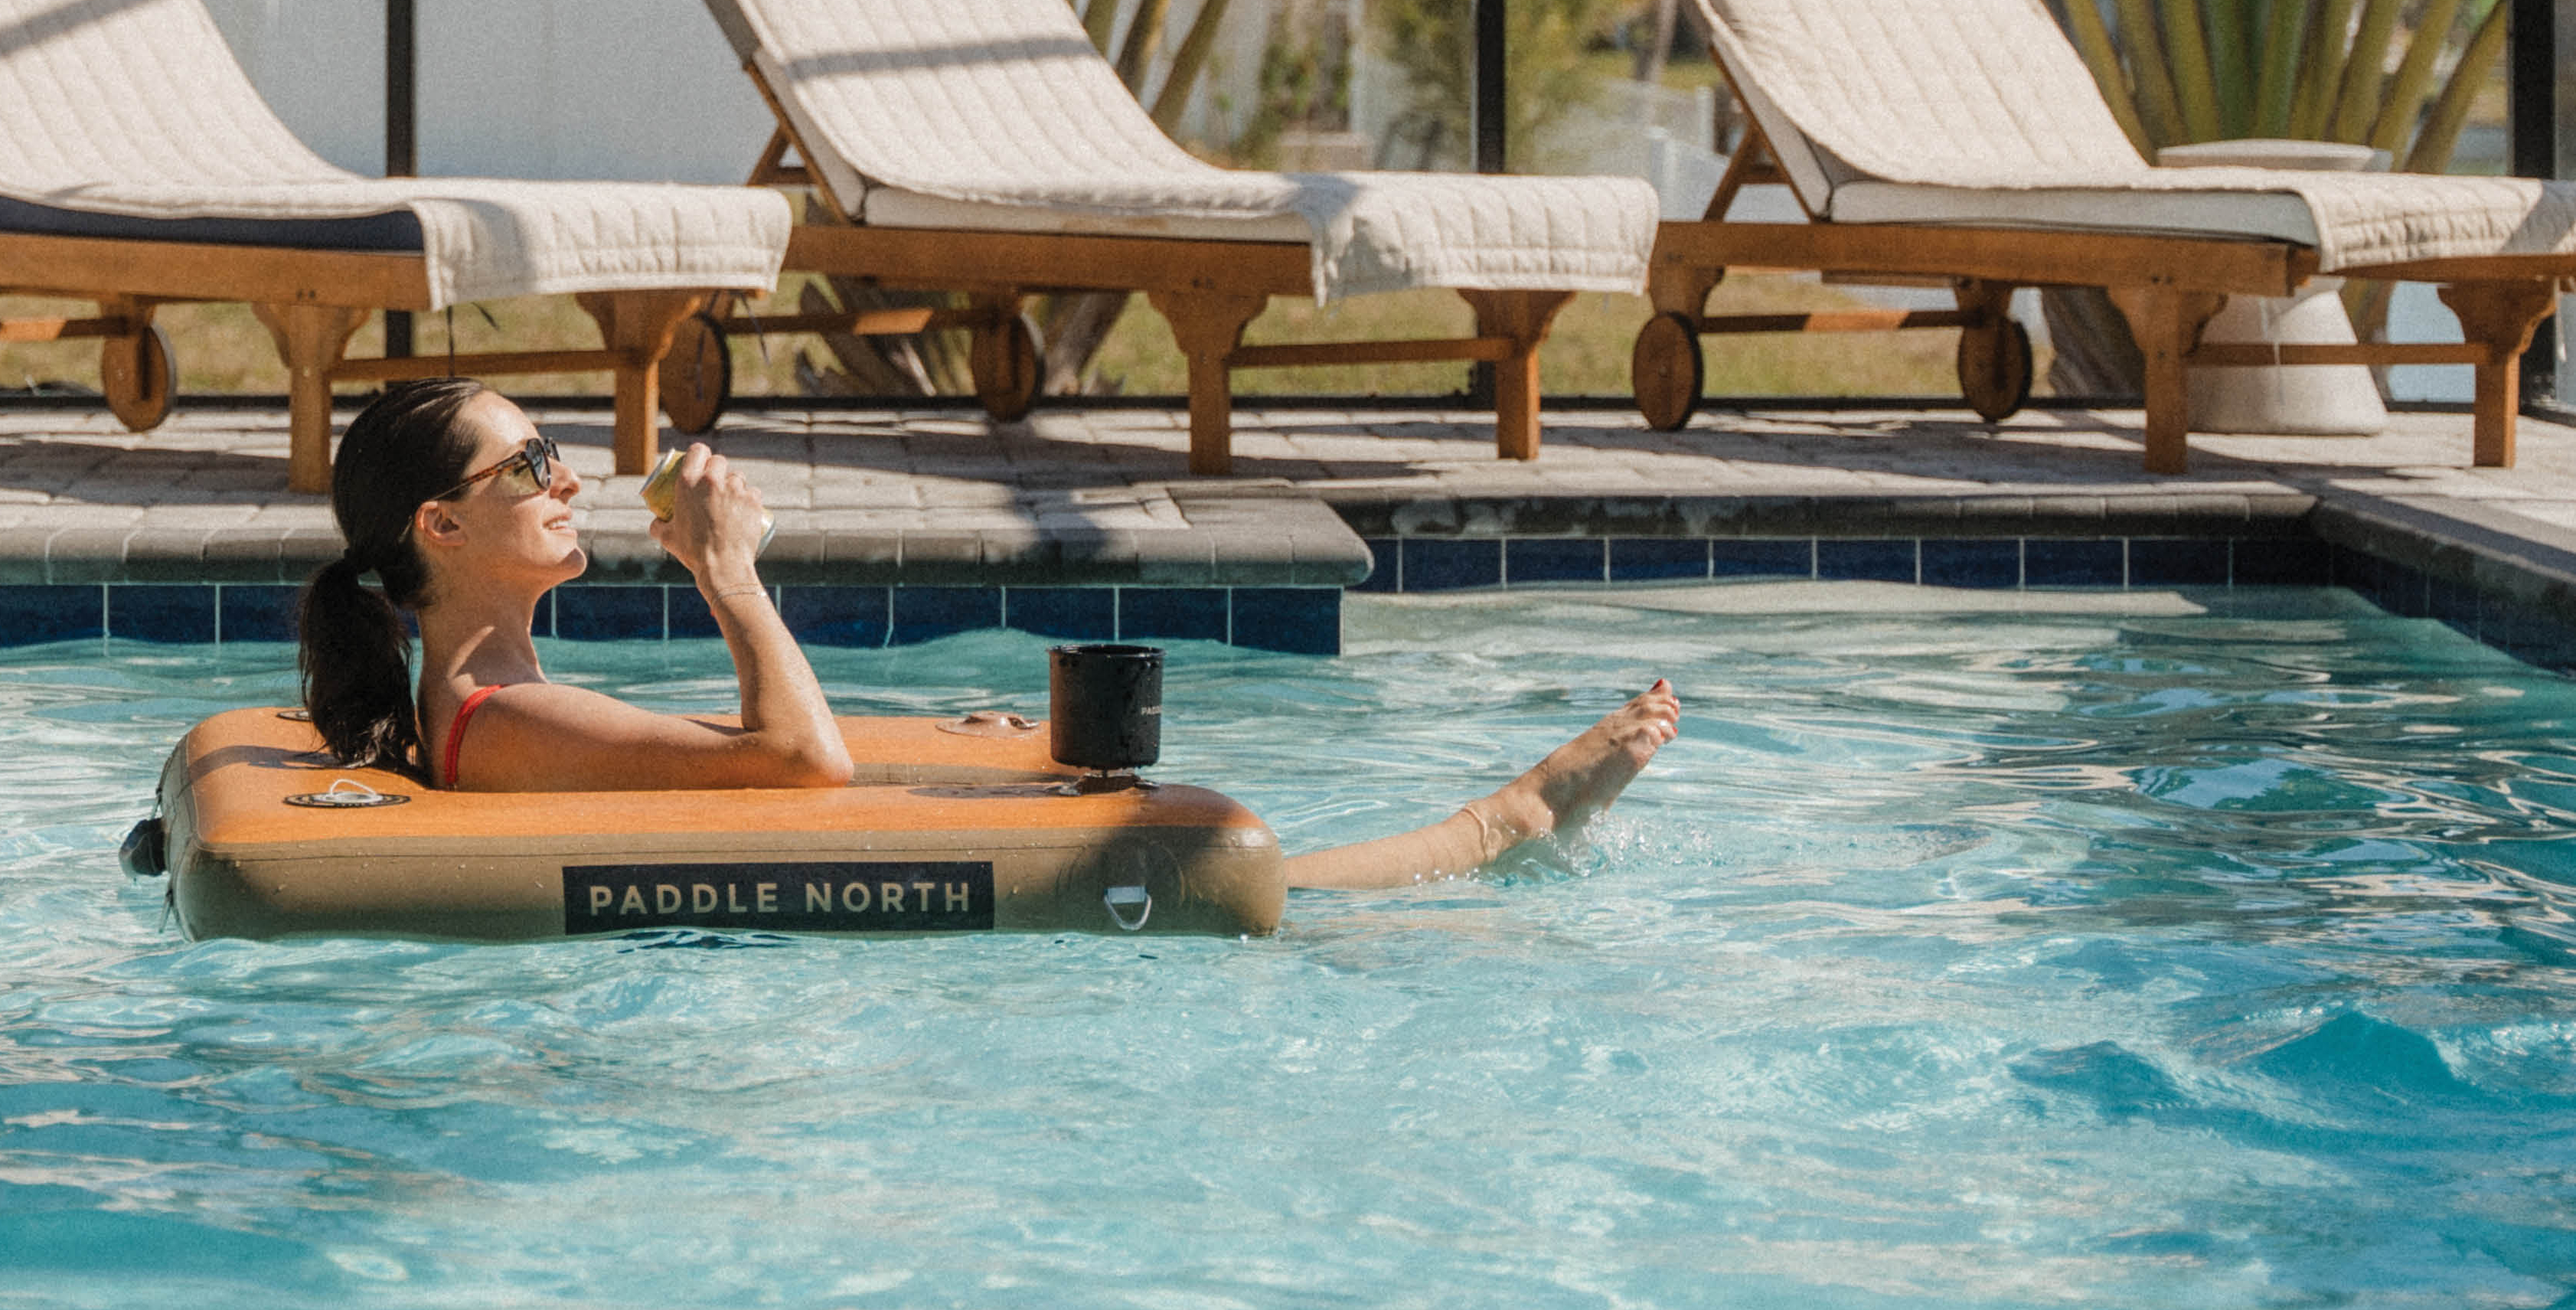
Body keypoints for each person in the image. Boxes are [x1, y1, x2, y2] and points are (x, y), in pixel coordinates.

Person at [293, 378, 1677, 887]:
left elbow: (707, 757)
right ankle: (1505, 827)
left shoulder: (492, 700)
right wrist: (729, 572)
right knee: (1261, 881)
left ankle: (1510, 830)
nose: (568, 477)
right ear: (441, 528)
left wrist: (937, 751)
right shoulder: (502, 715)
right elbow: (793, 768)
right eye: (528, 464)